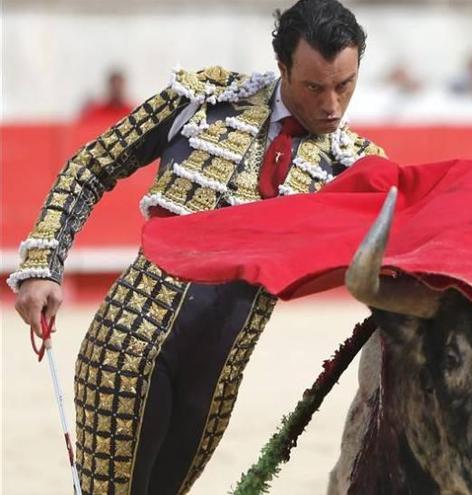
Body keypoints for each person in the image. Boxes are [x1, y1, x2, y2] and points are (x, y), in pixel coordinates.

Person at [9, 1, 384, 494]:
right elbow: (91, 166)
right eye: (314, 87)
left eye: (345, 85)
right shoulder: (205, 99)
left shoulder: (356, 167)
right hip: (127, 343)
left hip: (216, 376)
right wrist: (42, 264)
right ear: (282, 68)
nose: (332, 105)